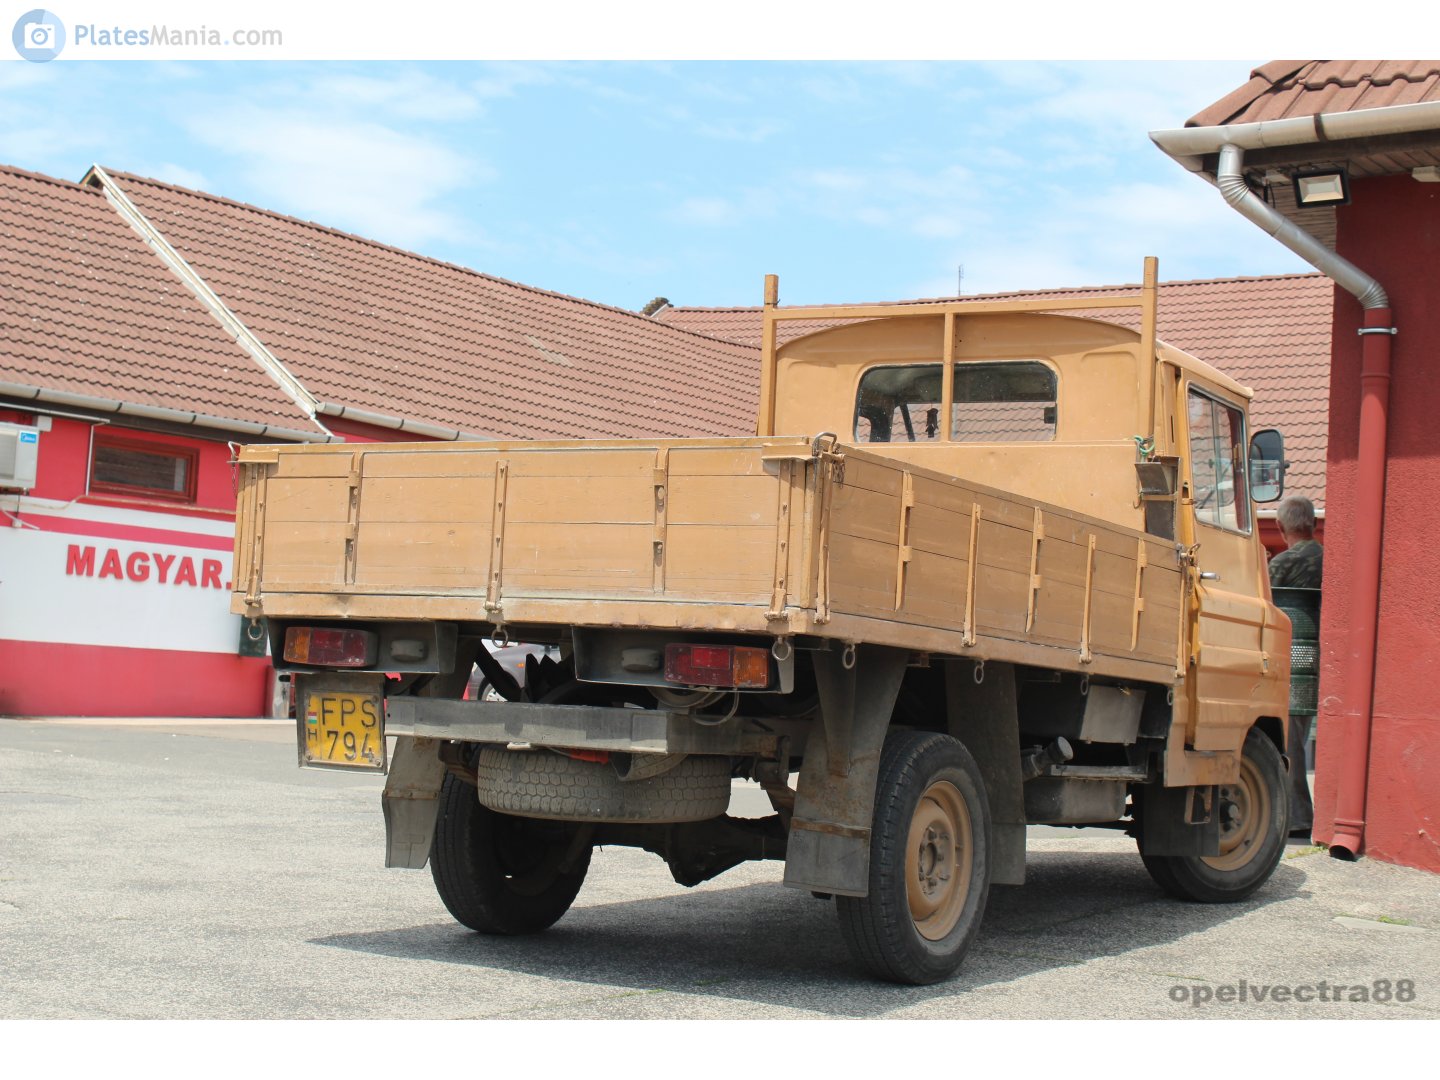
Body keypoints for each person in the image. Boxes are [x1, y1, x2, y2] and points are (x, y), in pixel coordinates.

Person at [1268, 495, 1322, 837]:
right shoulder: (1331, 558)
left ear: (1279, 527)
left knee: (1288, 739)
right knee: (1298, 737)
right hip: (1326, 659)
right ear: (1314, 524)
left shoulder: (1283, 564)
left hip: (1295, 661)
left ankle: (1298, 816)